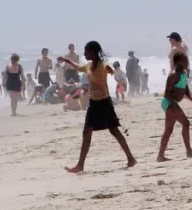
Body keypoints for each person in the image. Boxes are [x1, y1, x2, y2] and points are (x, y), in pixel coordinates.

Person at [58, 41, 136, 173]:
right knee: (86, 132)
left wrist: (110, 69)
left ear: (93, 52)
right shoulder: (88, 66)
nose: (84, 53)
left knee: (114, 131)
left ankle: (130, 158)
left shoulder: (102, 65)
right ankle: (80, 165)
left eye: (86, 51)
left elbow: (106, 66)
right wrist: (66, 60)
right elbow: (78, 67)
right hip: (93, 103)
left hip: (104, 102)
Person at [157, 53, 192, 162]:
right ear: (178, 62)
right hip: (168, 102)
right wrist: (175, 107)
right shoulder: (173, 74)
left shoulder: (183, 73)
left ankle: (160, 156)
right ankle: (189, 152)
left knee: (168, 130)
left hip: (171, 104)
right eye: (184, 60)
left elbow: (186, 90)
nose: (187, 62)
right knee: (186, 123)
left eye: (187, 60)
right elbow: (167, 94)